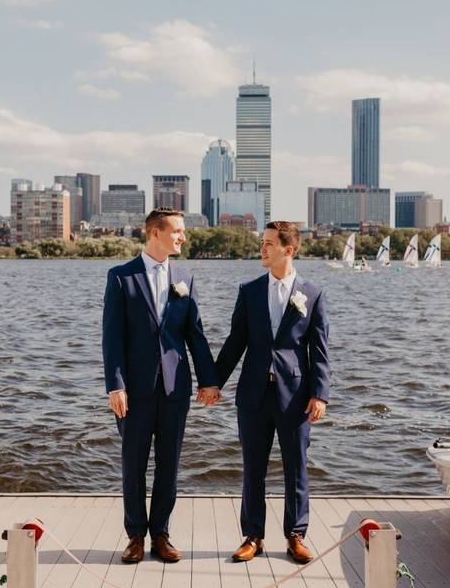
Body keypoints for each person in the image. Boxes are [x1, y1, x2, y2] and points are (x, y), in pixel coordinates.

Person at [101, 207, 220, 564]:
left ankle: (161, 535)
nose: (183, 237)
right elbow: (112, 338)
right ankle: (135, 536)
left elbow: (194, 335)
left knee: (169, 465)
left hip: (174, 389)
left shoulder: (184, 276)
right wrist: (115, 385)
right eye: (178, 231)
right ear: (155, 232)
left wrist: (209, 380)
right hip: (133, 391)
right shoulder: (121, 277)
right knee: (133, 464)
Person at [216, 220, 330, 564]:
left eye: (268, 243)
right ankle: (253, 536)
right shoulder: (248, 290)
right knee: (253, 468)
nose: (262, 248)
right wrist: (212, 383)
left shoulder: (312, 294)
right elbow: (235, 343)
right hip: (252, 395)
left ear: (288, 249)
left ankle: (296, 536)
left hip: (295, 395)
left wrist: (320, 394)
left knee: (297, 467)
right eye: (262, 242)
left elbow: (319, 349)